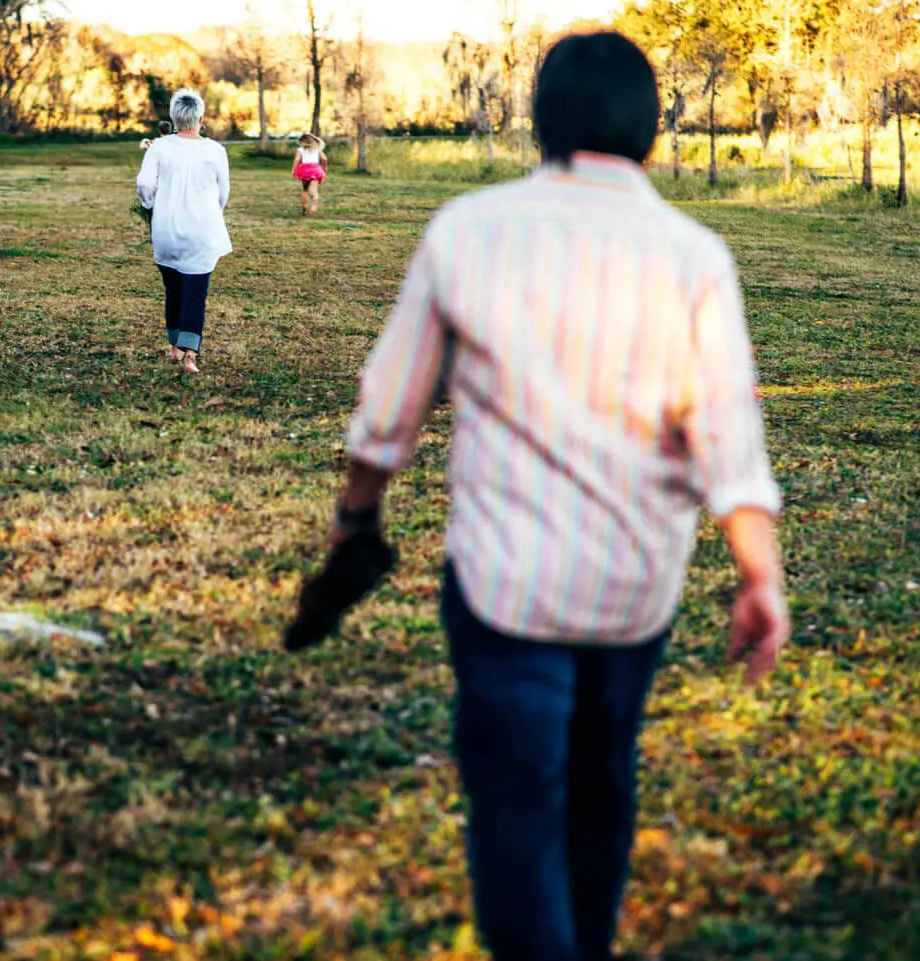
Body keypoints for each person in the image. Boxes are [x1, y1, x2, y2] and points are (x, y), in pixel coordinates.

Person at [329, 31, 790, 961]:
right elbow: (728, 442)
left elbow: (388, 411)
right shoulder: (694, 256)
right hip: (635, 592)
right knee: (601, 788)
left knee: (517, 804)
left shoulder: (469, 229)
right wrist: (760, 576)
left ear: (542, 120)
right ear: (651, 127)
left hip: (504, 588)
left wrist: (357, 516)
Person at [136, 89, 231, 375]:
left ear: (174, 118)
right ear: (201, 119)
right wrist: (212, 212)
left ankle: (174, 347)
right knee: (195, 292)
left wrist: (150, 205)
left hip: (166, 228)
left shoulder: (159, 147)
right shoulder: (215, 150)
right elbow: (223, 192)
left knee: (173, 288)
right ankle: (190, 353)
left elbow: (144, 183)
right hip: (202, 230)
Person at [292, 133, 327, 215]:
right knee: (314, 190)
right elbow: (324, 158)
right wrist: (325, 168)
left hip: (305, 170)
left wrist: (293, 170)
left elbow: (297, 160)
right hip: (315, 170)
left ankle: (304, 207)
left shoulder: (300, 149)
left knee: (305, 190)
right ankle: (314, 204)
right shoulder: (317, 149)